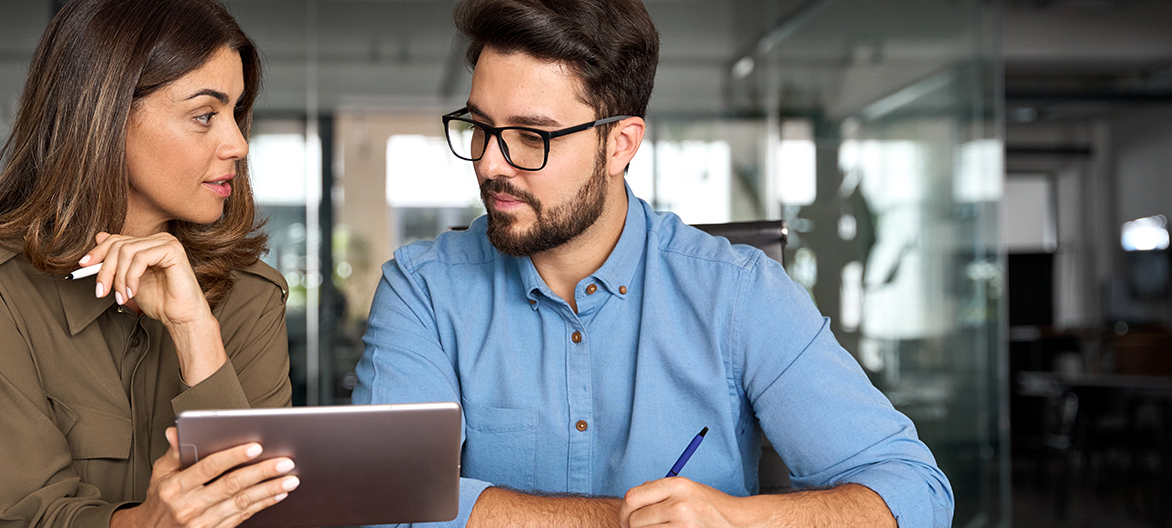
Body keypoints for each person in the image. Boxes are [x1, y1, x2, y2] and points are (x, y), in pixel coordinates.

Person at [352, 0, 955, 527]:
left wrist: (736, 519)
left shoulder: (740, 294)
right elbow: (380, 500)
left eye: (532, 136)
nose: (488, 163)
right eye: (480, 127)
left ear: (621, 144)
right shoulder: (423, 289)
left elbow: (915, 493)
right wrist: (622, 520)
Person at [0, 0, 297, 526]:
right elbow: (27, 509)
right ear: (106, 114)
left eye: (236, 114)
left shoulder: (253, 293)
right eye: (205, 115)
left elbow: (260, 511)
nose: (237, 143)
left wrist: (195, 330)